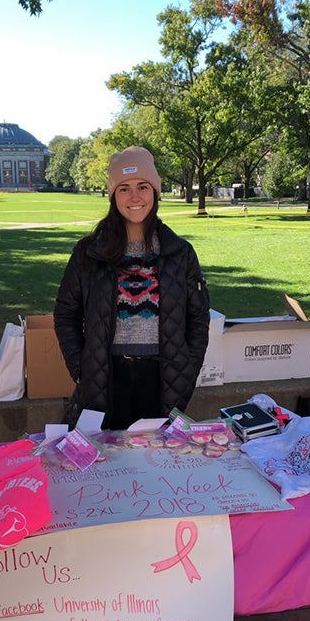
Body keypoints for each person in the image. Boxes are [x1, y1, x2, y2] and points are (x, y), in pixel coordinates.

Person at [54, 146, 210, 430]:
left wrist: (188, 370)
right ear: (113, 196)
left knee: (155, 463)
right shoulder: (89, 253)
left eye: (142, 186)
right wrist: (81, 369)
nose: (135, 196)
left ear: (155, 192)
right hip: (106, 378)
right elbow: (66, 314)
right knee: (107, 464)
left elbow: (198, 319)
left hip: (163, 379)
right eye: (124, 188)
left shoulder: (180, 253)